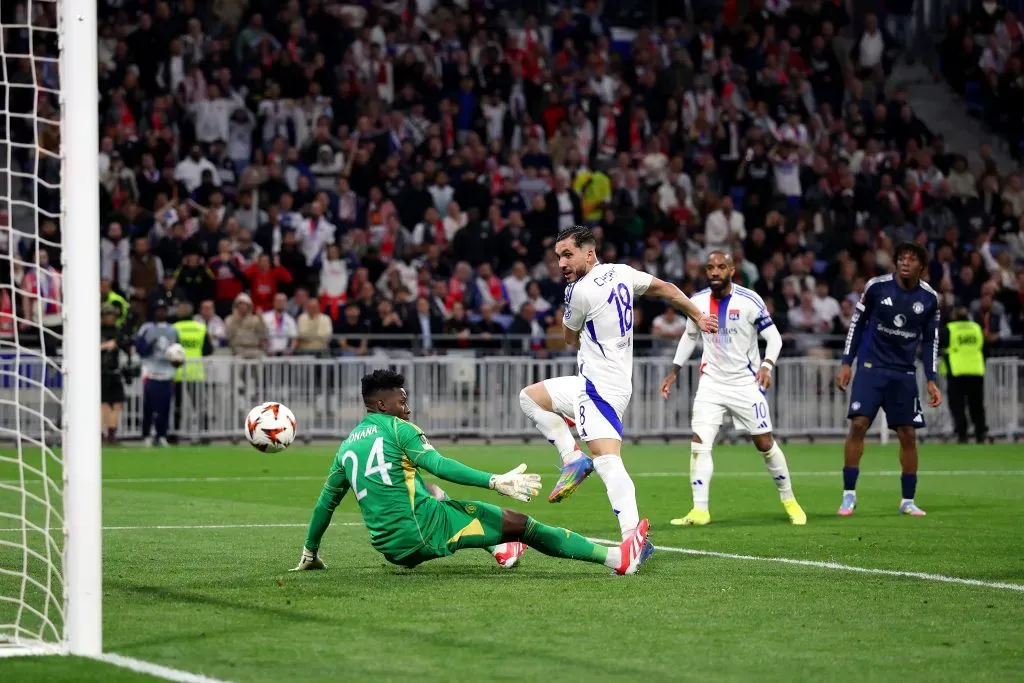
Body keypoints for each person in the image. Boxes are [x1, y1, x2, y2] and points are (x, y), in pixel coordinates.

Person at [289, 370, 650, 576]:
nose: (408, 407)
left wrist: (310, 553)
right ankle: (618, 559)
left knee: (430, 491)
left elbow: (325, 505)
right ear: (382, 405)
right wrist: (495, 480)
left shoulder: (347, 446)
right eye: (401, 402)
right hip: (423, 534)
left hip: (389, 547)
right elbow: (441, 465)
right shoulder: (400, 431)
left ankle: (500, 549)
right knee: (524, 525)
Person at [517, 225, 716, 550]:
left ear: (589, 253)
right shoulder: (622, 272)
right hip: (595, 381)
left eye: (568, 255)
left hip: (601, 386)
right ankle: (572, 458)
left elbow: (568, 339)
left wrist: (578, 326)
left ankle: (633, 541)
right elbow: (665, 288)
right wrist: (697, 315)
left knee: (607, 460)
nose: (562, 264)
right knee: (530, 398)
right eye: (558, 257)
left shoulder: (578, 292)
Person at [659, 251, 805, 526]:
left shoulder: (750, 300)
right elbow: (690, 337)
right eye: (710, 267)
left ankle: (789, 500)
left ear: (732, 270)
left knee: (765, 444)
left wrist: (767, 365)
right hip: (711, 383)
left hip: (745, 384)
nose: (715, 272)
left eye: (721, 267)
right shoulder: (698, 301)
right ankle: (700, 510)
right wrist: (674, 371)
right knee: (699, 444)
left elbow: (773, 338)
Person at [835, 243, 942, 517]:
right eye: (901, 258)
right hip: (871, 368)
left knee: (908, 435)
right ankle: (849, 495)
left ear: (921, 266)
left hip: (904, 373)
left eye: (912, 259)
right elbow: (857, 324)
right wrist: (847, 362)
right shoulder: (876, 287)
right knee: (858, 425)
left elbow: (931, 340)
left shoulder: (930, 299)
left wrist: (931, 378)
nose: (905, 263)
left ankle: (908, 500)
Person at [134, 299, 180, 447]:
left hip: (167, 373)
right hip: (151, 372)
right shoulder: (147, 328)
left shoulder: (173, 330)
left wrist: (176, 362)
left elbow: (178, 350)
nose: (161, 312)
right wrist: (149, 345)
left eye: (163, 310)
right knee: (149, 406)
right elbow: (140, 349)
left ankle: (162, 434)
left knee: (165, 407)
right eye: (158, 310)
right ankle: (147, 434)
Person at [942, 306, 987, 443]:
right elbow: (984, 347)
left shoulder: (950, 329)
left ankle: (962, 435)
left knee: (958, 405)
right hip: (976, 371)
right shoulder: (976, 328)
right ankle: (980, 434)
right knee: (977, 405)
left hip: (957, 371)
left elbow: (938, 346)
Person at [172, 302, 214, 442]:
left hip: (178, 371)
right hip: (196, 372)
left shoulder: (175, 328)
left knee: (177, 406)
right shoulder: (201, 328)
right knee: (200, 405)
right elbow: (208, 350)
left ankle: (174, 435)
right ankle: (205, 435)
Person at [100, 303, 131, 445]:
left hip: (115, 371)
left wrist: (122, 344)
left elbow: (126, 346)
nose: (110, 318)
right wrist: (105, 346)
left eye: (111, 315)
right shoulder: (96, 331)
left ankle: (112, 434)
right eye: (107, 315)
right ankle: (101, 433)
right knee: (104, 404)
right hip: (101, 372)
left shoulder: (118, 332)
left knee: (117, 404)